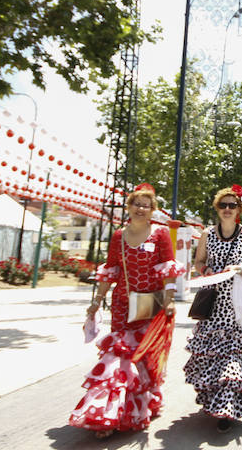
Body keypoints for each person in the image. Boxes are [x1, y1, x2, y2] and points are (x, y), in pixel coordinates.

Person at [69, 183, 184, 439]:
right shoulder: (119, 236)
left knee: (143, 357)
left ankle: (142, 404)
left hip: (150, 304)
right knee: (119, 357)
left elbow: (168, 269)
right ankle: (108, 413)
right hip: (122, 303)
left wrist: (169, 299)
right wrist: (97, 300)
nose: (141, 208)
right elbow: (110, 269)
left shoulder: (161, 234)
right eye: (137, 204)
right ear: (129, 206)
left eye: (146, 205)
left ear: (153, 209)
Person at [183, 185, 242, 433]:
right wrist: (208, 272)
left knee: (231, 357)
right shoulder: (207, 233)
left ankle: (226, 409)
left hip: (237, 305)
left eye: (232, 205)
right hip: (213, 303)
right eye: (223, 205)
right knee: (211, 356)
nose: (228, 209)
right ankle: (214, 401)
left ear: (240, 209)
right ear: (218, 209)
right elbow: (198, 262)